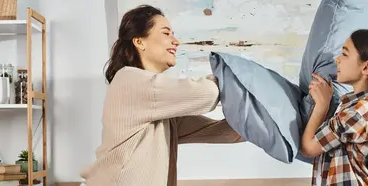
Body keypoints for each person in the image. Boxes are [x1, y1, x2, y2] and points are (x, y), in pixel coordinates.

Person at [79, 5, 244, 186]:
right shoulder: (129, 80)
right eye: (166, 34)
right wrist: (241, 81)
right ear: (139, 41)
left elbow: (227, 133)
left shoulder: (159, 109)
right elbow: (208, 93)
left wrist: (263, 116)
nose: (176, 41)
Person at [300, 29, 368, 186]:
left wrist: (322, 106)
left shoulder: (357, 113)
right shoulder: (365, 106)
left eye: (345, 54)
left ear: (366, 67)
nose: (337, 59)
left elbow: (308, 148)